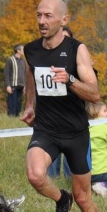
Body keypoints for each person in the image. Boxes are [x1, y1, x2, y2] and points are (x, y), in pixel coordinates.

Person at [20, 0, 105, 212]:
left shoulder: (77, 49)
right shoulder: (31, 50)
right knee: (35, 176)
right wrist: (30, 105)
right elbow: (31, 79)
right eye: (38, 15)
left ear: (63, 20)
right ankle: (60, 200)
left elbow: (94, 94)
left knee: (84, 198)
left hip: (76, 133)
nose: (42, 21)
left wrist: (69, 80)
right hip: (46, 129)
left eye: (48, 16)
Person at [46, 26, 74, 179]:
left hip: (71, 112)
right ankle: (52, 178)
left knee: (71, 146)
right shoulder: (47, 60)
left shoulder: (78, 60)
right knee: (53, 145)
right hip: (52, 111)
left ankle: (70, 178)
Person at [4, 44, 26, 117]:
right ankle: (11, 117)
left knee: (19, 104)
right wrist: (8, 85)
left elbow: (24, 73)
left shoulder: (23, 61)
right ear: (18, 50)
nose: (24, 51)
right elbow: (6, 73)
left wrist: (25, 86)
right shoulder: (10, 60)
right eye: (22, 49)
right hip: (13, 85)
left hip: (21, 85)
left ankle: (17, 116)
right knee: (12, 103)